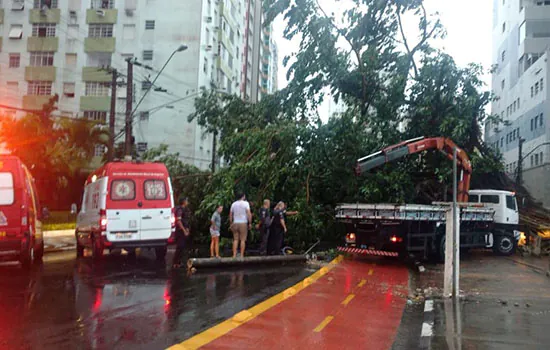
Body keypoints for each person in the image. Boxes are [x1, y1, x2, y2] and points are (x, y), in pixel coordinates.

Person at [229, 193, 252, 258]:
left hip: (235, 222)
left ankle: (234, 255)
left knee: (235, 239)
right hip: (243, 223)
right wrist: (250, 222)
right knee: (242, 240)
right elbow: (248, 213)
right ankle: (241, 255)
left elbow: (230, 214)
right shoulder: (246, 203)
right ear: (243, 196)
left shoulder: (233, 204)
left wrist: (231, 223)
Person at [172, 197, 191, 268]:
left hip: (184, 229)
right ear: (183, 202)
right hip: (180, 231)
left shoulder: (185, 210)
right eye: (186, 201)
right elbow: (179, 221)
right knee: (180, 246)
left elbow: (186, 221)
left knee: (182, 247)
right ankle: (175, 262)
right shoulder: (180, 209)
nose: (187, 202)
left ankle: (178, 262)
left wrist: (187, 229)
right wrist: (184, 230)